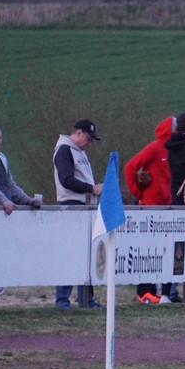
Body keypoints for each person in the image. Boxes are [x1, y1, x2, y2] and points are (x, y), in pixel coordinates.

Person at [53, 119, 104, 309]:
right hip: (71, 205)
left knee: (86, 253)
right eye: (89, 139)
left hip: (84, 206)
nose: (89, 144)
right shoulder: (64, 150)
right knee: (70, 253)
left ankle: (86, 299)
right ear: (79, 133)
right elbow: (66, 180)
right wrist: (92, 188)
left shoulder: (78, 151)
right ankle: (62, 300)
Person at [125, 116, 176, 301]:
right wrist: (138, 193)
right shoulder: (155, 147)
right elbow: (130, 167)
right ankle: (144, 292)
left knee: (161, 250)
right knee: (147, 249)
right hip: (150, 208)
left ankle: (157, 291)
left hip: (165, 208)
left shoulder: (172, 150)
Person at [0, 124, 42, 215]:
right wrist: (4, 201)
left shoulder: (2, 158)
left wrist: (27, 200)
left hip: (4, 212)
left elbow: (10, 185)